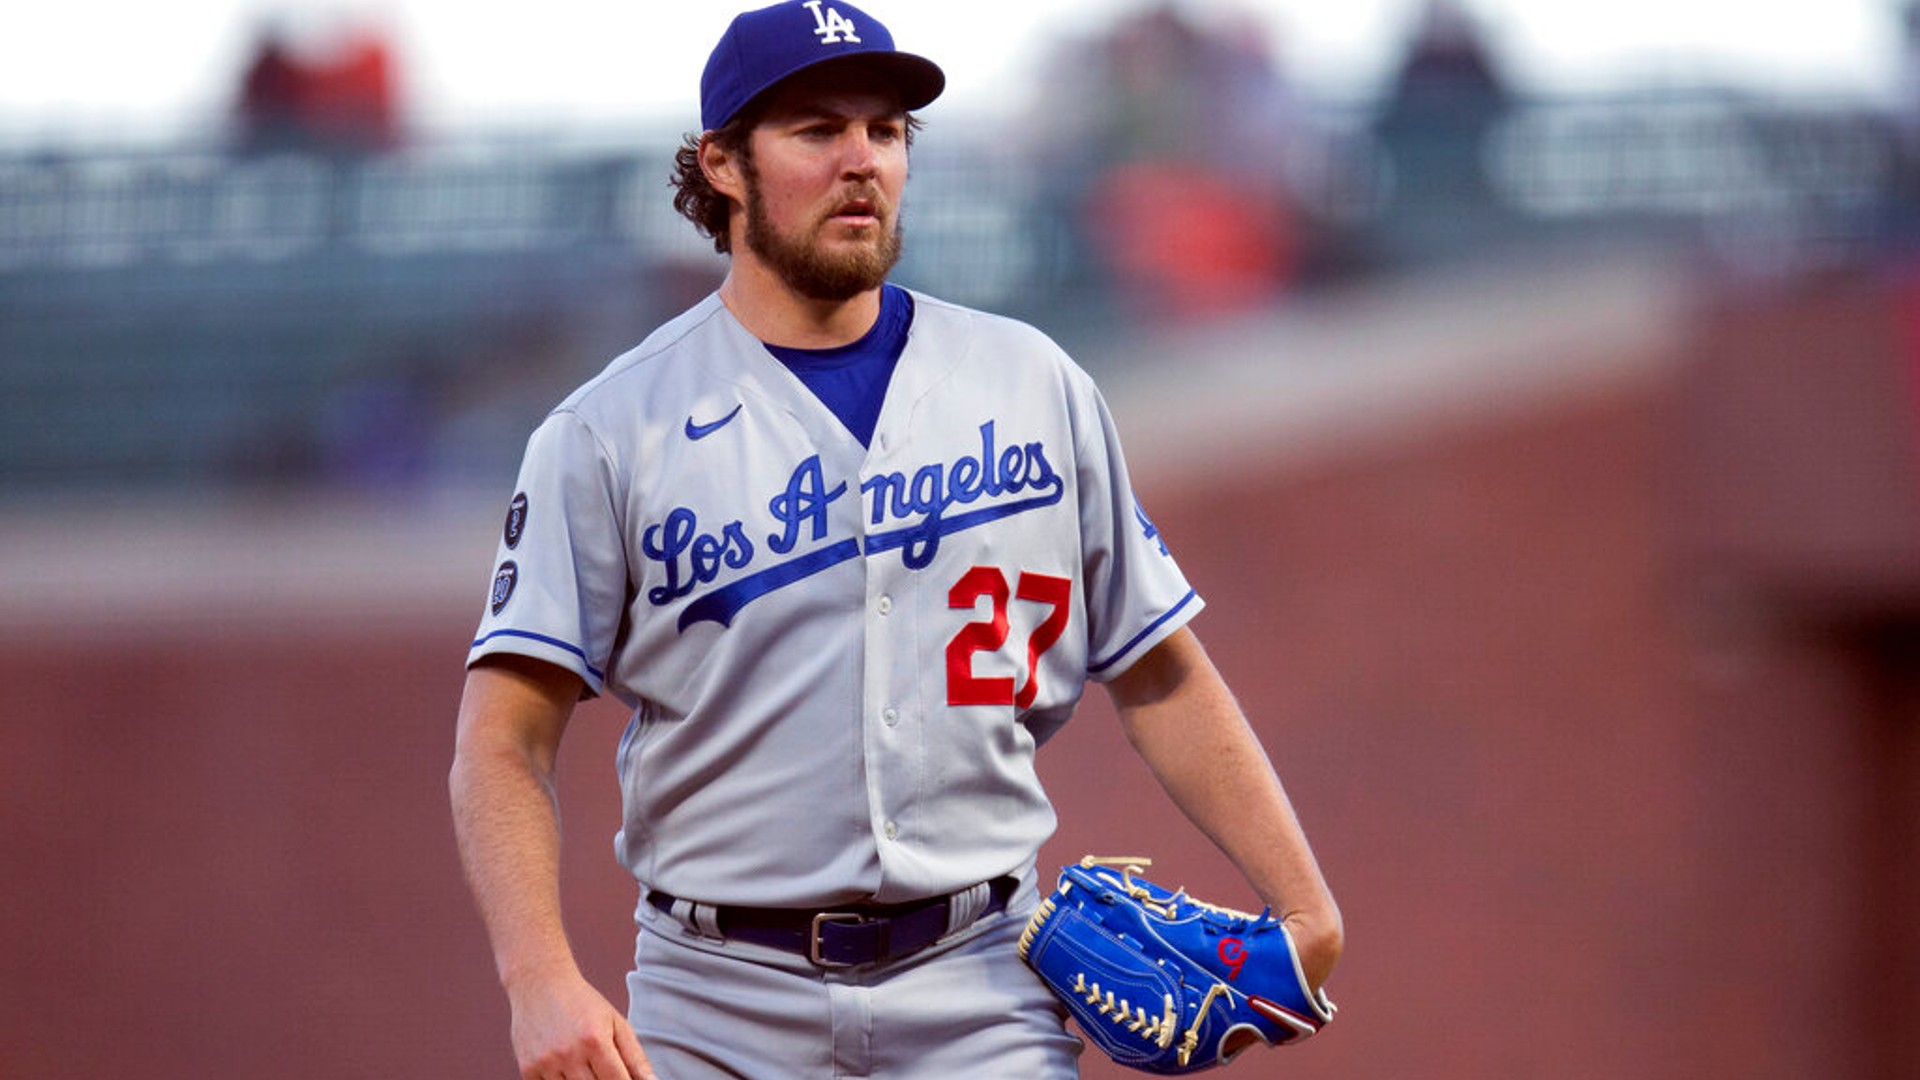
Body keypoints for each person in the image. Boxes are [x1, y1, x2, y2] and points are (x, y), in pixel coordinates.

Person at [447, 3, 1342, 1077]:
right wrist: (536, 976)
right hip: (715, 1001)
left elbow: (1161, 672)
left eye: (886, 130)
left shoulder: (1031, 384)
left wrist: (1304, 905)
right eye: (818, 130)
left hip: (982, 986)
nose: (861, 159)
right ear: (722, 165)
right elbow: (503, 739)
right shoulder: (605, 432)